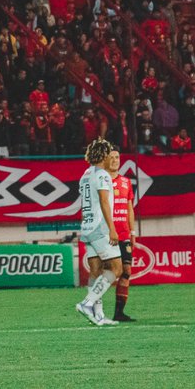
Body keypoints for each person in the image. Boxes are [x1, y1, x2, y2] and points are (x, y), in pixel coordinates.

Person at [76, 138, 120, 326]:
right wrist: (112, 229)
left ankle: (99, 315)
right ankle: (87, 303)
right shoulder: (102, 175)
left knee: (96, 271)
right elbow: (103, 202)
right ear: (103, 154)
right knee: (116, 269)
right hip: (99, 227)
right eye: (109, 152)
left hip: (86, 227)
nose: (112, 156)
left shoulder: (85, 174)